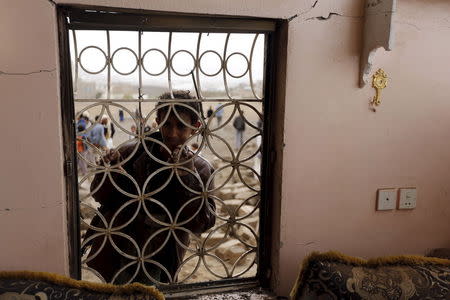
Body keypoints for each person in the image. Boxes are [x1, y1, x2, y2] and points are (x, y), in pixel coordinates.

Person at [84, 90, 216, 284]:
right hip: (121, 245)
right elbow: (100, 196)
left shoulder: (201, 169)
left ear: (195, 127)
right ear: (158, 121)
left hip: (163, 255)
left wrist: (187, 176)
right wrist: (110, 171)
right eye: (167, 124)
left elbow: (201, 223)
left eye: (181, 126)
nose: (172, 133)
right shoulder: (133, 152)